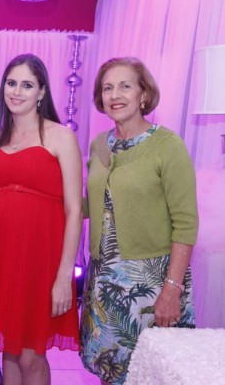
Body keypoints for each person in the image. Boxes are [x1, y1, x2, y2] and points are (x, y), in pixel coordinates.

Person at [0, 53, 82, 385]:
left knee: (31, 356)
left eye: (27, 85)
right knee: (9, 353)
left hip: (39, 262)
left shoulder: (60, 136)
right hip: (0, 259)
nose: (17, 91)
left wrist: (63, 277)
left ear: (41, 92)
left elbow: (74, 211)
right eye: (11, 83)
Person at [79, 57, 198, 385]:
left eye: (125, 85)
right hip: (104, 284)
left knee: (152, 375)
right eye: (107, 87)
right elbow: (94, 205)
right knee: (111, 372)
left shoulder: (167, 145)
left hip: (151, 285)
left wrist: (172, 291)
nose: (114, 94)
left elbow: (186, 223)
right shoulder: (99, 145)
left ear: (143, 95)